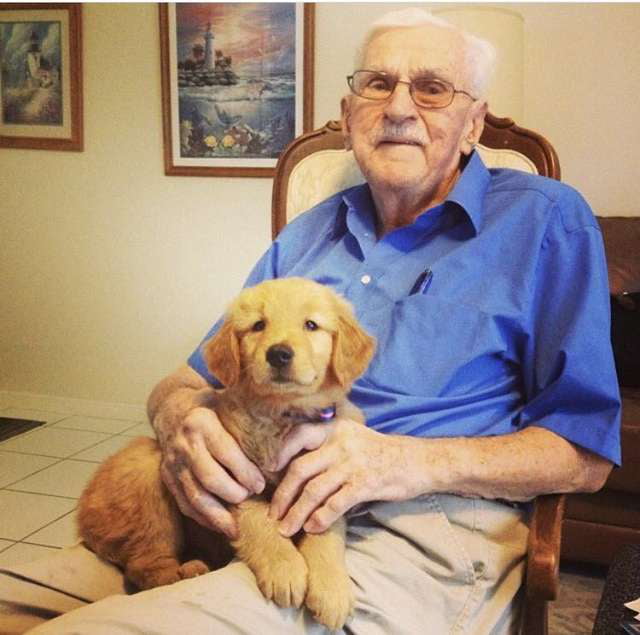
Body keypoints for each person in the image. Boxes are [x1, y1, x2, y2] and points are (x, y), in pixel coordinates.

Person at [3, 8, 620, 634]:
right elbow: (192, 378)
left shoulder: (544, 220)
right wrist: (179, 419)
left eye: (432, 89)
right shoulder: (307, 233)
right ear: (349, 116)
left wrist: (404, 462)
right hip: (246, 514)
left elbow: (584, 453)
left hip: (417, 528)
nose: (399, 108)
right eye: (377, 84)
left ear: (473, 125)